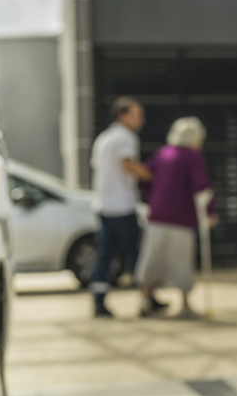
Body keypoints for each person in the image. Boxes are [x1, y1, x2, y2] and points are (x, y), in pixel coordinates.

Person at [135, 117, 217, 318]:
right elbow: (201, 187)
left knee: (152, 258)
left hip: (157, 215)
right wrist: (209, 212)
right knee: (180, 260)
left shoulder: (163, 153)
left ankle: (145, 300)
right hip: (181, 217)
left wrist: (154, 196)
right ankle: (185, 304)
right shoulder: (191, 156)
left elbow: (146, 175)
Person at [89, 97, 155, 318]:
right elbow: (128, 164)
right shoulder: (125, 138)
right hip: (122, 207)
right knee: (135, 255)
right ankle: (147, 299)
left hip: (104, 206)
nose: (142, 120)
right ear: (123, 115)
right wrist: (154, 176)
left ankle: (98, 301)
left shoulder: (104, 138)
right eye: (138, 115)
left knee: (104, 256)